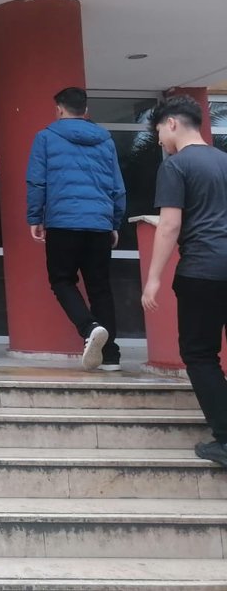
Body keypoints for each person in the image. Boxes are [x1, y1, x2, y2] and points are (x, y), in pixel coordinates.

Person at [142, 96, 227, 469]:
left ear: (173, 123)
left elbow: (171, 225)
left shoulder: (176, 166)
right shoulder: (225, 160)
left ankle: (225, 440)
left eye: (159, 130)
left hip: (203, 271)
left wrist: (153, 280)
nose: (159, 139)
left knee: (200, 354)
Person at [27, 86, 126, 370]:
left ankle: (89, 328)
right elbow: (117, 187)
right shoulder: (105, 140)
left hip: (63, 222)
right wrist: (114, 222)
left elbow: (37, 181)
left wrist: (35, 217)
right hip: (98, 224)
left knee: (61, 281)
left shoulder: (45, 137)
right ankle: (111, 356)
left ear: (59, 109)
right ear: (86, 110)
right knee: (100, 288)